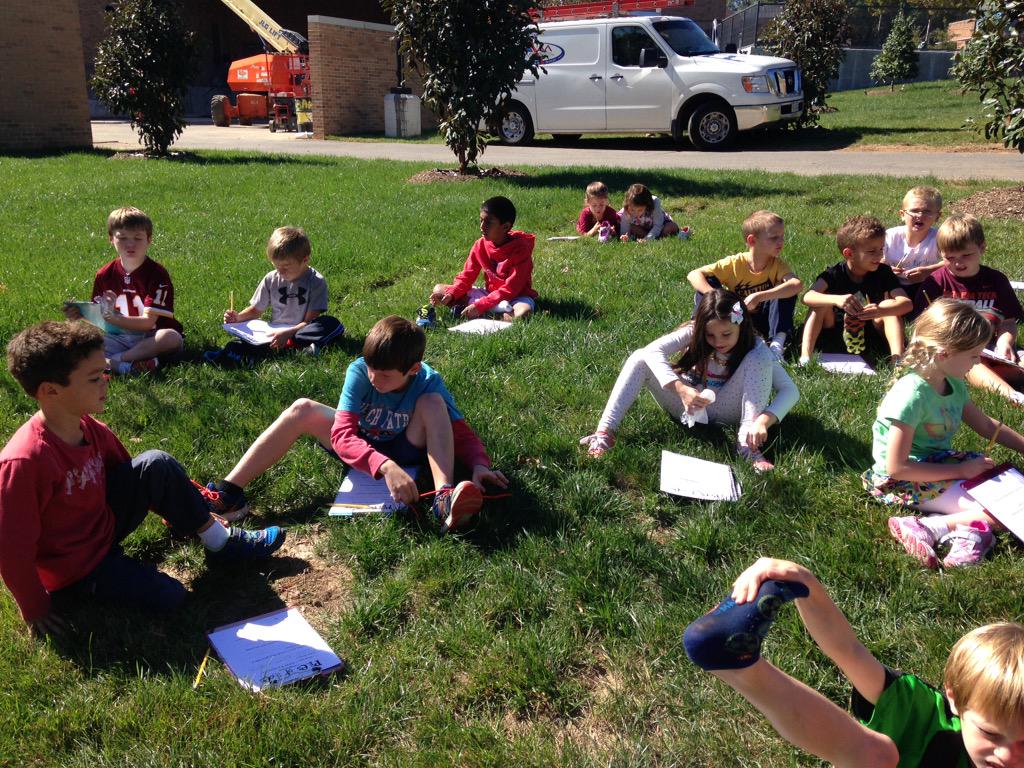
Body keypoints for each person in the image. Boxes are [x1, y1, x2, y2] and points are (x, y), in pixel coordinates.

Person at [0, 321, 285, 639]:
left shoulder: (91, 429)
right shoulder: (24, 462)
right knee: (170, 596)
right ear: (50, 391)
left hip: (103, 527)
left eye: (105, 372)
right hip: (76, 568)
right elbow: (11, 550)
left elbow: (139, 477)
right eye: (95, 378)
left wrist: (191, 509)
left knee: (155, 463)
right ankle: (101, 582)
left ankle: (221, 543)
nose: (106, 382)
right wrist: (35, 606)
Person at [684, 556, 1024, 768]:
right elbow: (848, 651)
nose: (1008, 757)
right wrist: (804, 583)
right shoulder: (923, 713)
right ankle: (737, 662)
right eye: (990, 734)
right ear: (954, 698)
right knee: (877, 756)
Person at [205, 316, 508, 533]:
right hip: (365, 444)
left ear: (413, 369)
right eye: (371, 370)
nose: (375, 380)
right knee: (301, 409)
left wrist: (479, 463)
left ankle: (444, 498)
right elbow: (341, 433)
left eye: (386, 375)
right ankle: (230, 492)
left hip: (407, 444)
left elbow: (458, 430)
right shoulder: (360, 371)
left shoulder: (428, 381)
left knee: (433, 404)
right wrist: (385, 466)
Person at [862, 299, 1024, 568]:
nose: (978, 362)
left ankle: (970, 531)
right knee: (1003, 513)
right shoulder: (911, 395)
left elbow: (985, 425)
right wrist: (962, 471)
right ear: (943, 354)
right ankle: (928, 527)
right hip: (905, 478)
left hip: (940, 464)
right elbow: (896, 467)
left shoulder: (953, 384)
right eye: (974, 355)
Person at [578, 289, 799, 471]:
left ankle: (747, 446)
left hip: (729, 409)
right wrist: (681, 389)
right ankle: (604, 433)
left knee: (760, 355)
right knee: (640, 357)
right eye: (710, 335)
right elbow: (652, 351)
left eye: (726, 334)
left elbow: (790, 390)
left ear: (741, 326)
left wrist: (764, 421)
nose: (718, 342)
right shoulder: (693, 333)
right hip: (688, 406)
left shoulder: (755, 348)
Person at [915, 214, 1024, 405]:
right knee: (972, 364)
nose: (958, 263)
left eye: (966, 255)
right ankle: (1015, 398)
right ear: (941, 254)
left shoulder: (996, 280)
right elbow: (921, 327)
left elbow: (1008, 322)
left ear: (982, 247)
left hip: (994, 349)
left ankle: (1009, 377)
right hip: (956, 352)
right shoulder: (936, 282)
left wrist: (1005, 342)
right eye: (950, 257)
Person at [64, 207, 183, 375]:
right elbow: (103, 320)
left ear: (149, 240)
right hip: (119, 337)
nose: (130, 244)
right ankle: (130, 367)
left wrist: (113, 317)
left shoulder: (157, 274)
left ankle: (118, 361)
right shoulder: (104, 274)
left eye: (138, 238)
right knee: (77, 347)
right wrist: (82, 315)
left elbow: (147, 323)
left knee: (171, 338)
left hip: (151, 336)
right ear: (111, 239)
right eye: (122, 238)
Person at [204, 226, 343, 366]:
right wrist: (238, 317)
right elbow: (255, 311)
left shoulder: (316, 281)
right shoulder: (271, 279)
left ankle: (290, 346)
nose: (280, 272)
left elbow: (309, 321)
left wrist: (288, 333)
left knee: (329, 324)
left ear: (305, 259)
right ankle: (240, 356)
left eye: (286, 267)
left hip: (299, 331)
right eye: (276, 266)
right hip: (273, 333)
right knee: (241, 342)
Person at [687, 210, 802, 359]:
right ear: (752, 241)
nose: (781, 242)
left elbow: (797, 284)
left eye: (782, 236)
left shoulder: (777, 265)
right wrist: (715, 295)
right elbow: (694, 274)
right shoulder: (735, 263)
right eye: (774, 238)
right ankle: (695, 334)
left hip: (766, 321)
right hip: (736, 318)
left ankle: (776, 347)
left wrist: (759, 296)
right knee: (708, 282)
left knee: (785, 288)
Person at [800, 214, 912, 365]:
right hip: (836, 331)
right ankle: (805, 357)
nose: (880, 255)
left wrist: (880, 310)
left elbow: (906, 303)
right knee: (818, 304)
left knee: (889, 307)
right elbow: (807, 297)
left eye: (881, 248)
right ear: (849, 254)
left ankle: (897, 360)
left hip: (873, 332)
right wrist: (836, 299)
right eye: (872, 251)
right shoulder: (834, 273)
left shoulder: (884, 272)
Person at [417, 196, 537, 327]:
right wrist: (452, 294)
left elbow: (511, 288)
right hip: (489, 294)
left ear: (505, 226)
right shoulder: (480, 245)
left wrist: (480, 306)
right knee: (439, 289)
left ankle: (486, 312)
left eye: (488, 223)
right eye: (481, 220)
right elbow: (467, 276)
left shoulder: (520, 250)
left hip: (516, 298)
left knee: (523, 313)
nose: (482, 226)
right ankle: (491, 313)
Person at [883, 186, 943, 302]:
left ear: (937, 216)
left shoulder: (939, 238)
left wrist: (928, 271)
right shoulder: (890, 236)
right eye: (914, 211)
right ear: (902, 214)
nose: (920, 216)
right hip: (893, 285)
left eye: (927, 211)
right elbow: (874, 260)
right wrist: (886, 270)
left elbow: (952, 261)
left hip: (925, 285)